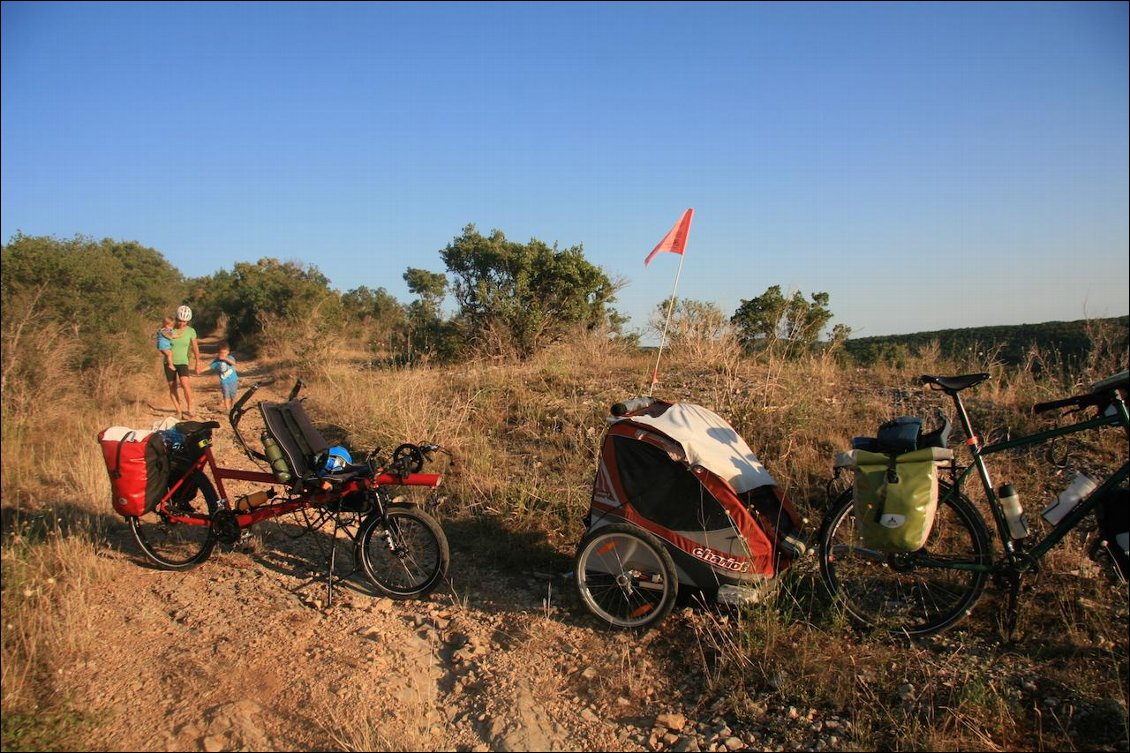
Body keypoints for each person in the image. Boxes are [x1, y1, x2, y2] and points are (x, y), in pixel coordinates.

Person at [165, 305, 201, 418]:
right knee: (172, 387)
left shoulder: (191, 331)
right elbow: (162, 344)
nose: (182, 323)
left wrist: (197, 362)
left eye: (185, 321)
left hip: (183, 361)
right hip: (169, 362)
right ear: (177, 318)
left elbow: (195, 347)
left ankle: (190, 407)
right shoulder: (169, 330)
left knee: (185, 384)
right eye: (180, 320)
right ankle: (178, 411)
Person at [201, 342, 239, 413]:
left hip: (233, 380)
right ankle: (228, 409)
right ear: (218, 353)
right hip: (224, 381)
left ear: (228, 352)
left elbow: (233, 363)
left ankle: (232, 407)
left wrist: (225, 359)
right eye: (221, 353)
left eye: (225, 352)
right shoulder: (217, 361)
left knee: (233, 395)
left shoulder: (230, 358)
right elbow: (210, 366)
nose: (223, 354)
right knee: (226, 395)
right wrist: (201, 370)